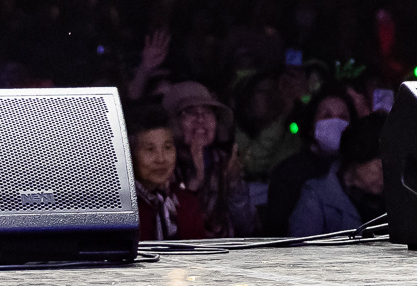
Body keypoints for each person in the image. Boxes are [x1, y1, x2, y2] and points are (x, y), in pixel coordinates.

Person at [260, 83, 357, 234]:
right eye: (326, 116)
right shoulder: (288, 172)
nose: (335, 122)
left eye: (343, 117)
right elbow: (277, 230)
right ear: (311, 126)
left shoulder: (358, 170)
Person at [165, 80, 249, 236]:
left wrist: (234, 186)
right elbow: (170, 231)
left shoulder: (225, 161)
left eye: (208, 111)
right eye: (189, 111)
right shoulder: (162, 165)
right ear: (173, 123)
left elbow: (246, 227)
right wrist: (192, 186)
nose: (200, 118)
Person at [288, 111, 385, 235]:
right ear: (358, 155)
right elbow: (301, 250)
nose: (385, 175)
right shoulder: (316, 197)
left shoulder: (395, 198)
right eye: (380, 167)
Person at [132, 110, 211, 240]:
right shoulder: (121, 209)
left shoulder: (187, 204)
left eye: (168, 147)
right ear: (131, 155)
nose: (161, 159)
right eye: (150, 149)